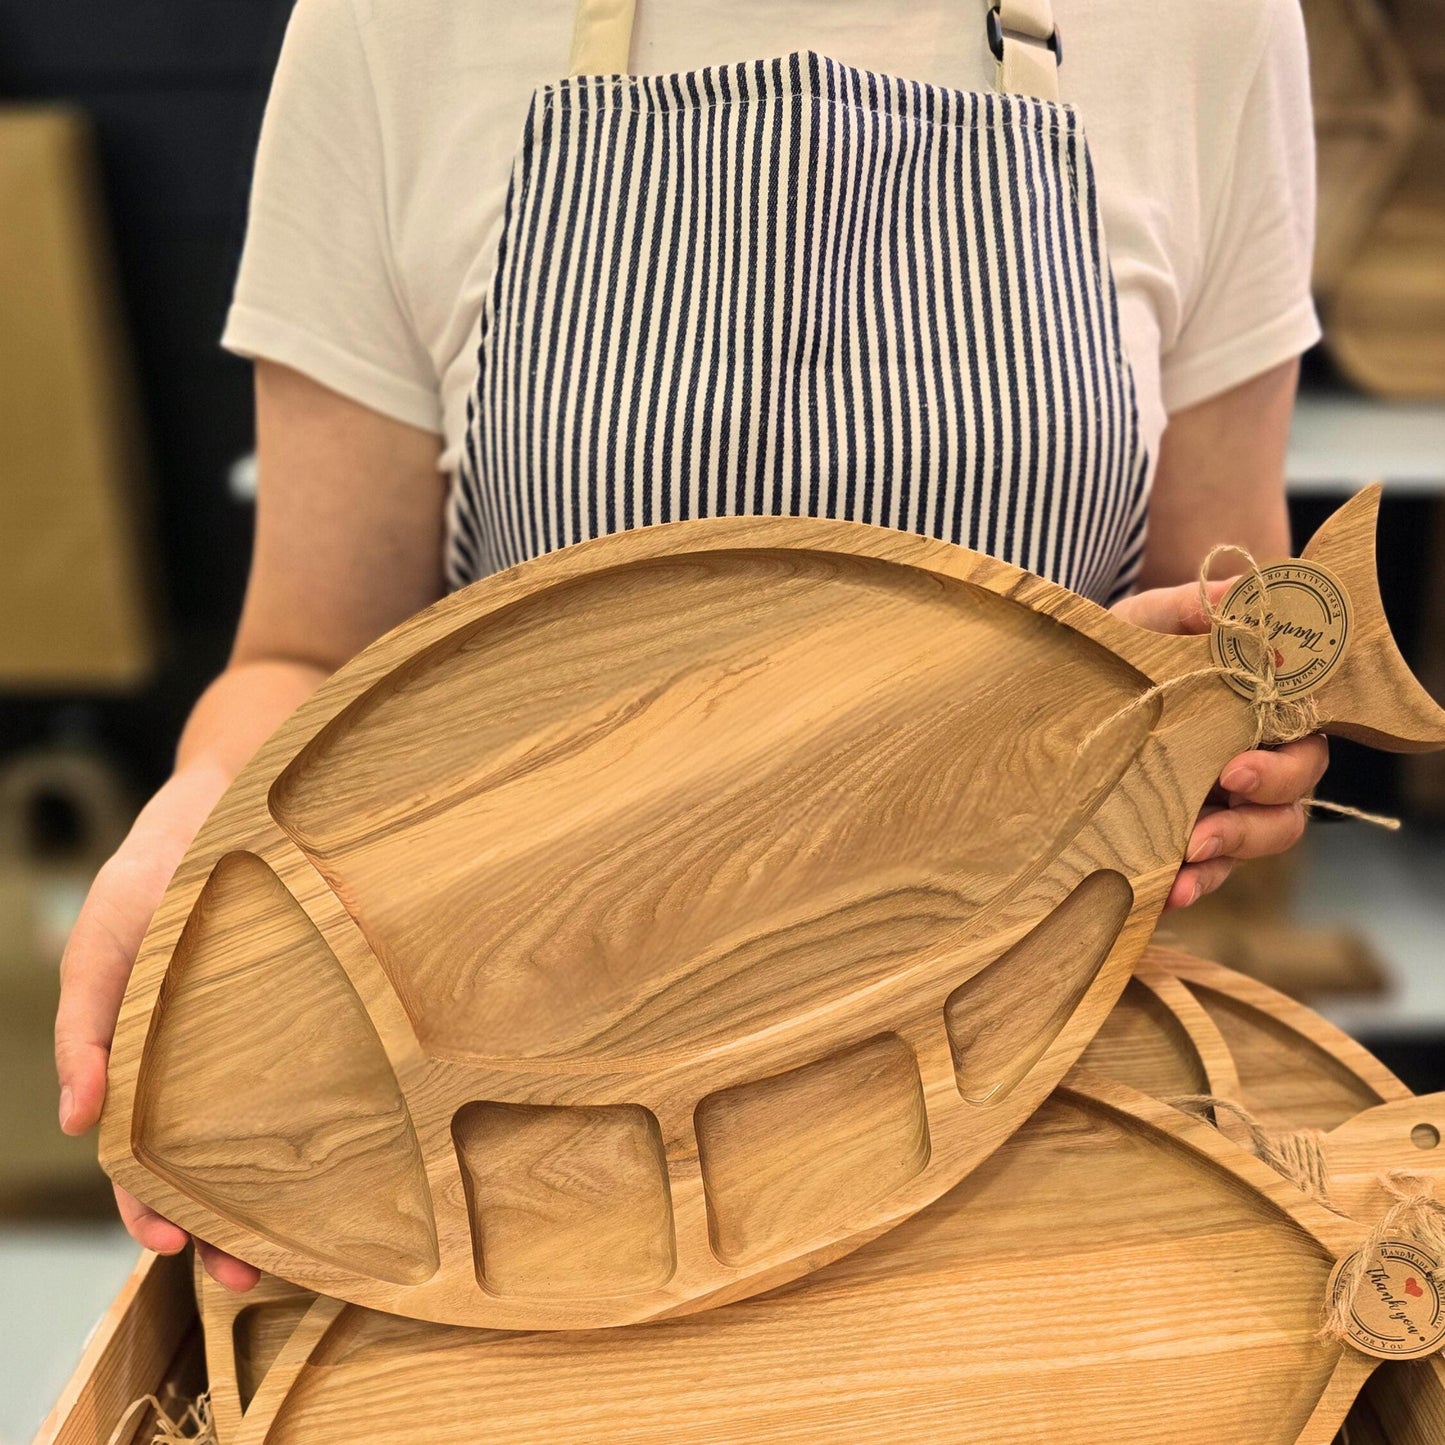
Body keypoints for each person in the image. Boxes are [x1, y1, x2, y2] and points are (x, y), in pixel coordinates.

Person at [55, 0, 1330, 1290]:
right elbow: (307, 651)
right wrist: (204, 826)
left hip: (1029, 1103)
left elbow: (1236, 626)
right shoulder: (395, 28)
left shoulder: (1205, 25)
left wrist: (1242, 744)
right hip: (533, 1141)